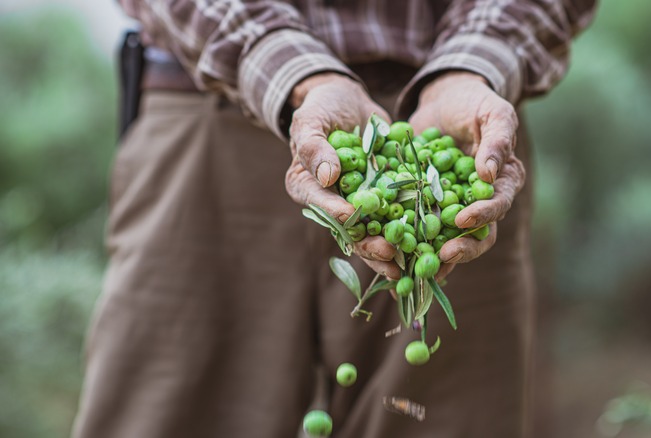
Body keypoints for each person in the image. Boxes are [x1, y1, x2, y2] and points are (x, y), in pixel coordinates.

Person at [72, 1, 595, 437]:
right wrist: (295, 71)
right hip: (211, 107)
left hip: (461, 123)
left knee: (440, 418)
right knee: (167, 409)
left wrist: (475, 62)